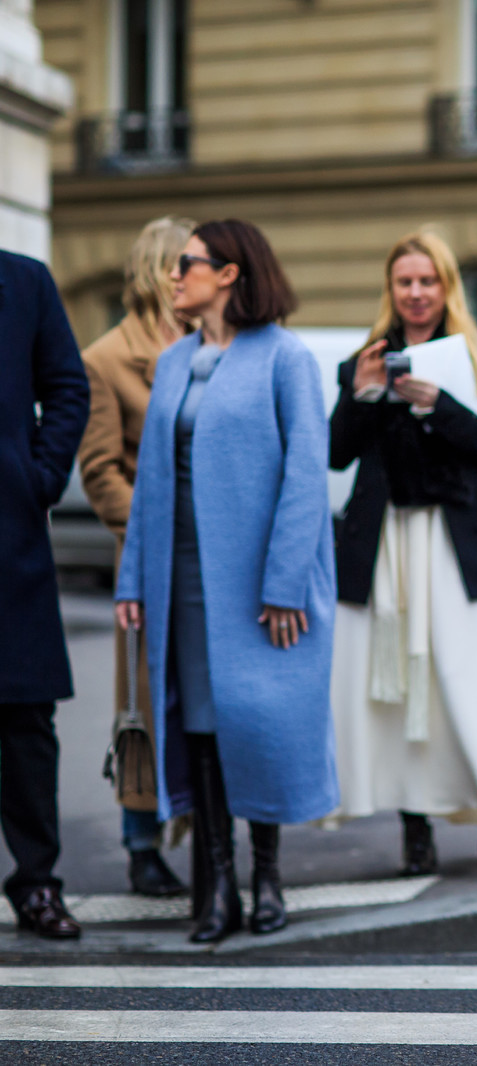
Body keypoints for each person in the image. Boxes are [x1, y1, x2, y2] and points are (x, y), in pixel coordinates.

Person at [115, 219, 340, 944]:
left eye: (189, 264)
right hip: (179, 576)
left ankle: (268, 877)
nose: (175, 276)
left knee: (260, 723)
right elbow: (150, 481)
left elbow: (308, 476)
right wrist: (131, 580)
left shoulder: (285, 359)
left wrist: (284, 584)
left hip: (258, 583)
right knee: (201, 725)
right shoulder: (175, 361)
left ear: (231, 273)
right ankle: (218, 888)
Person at [327, 230, 477, 872]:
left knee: (471, 676)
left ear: (446, 286)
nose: (416, 293)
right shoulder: (365, 361)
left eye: (428, 281)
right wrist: (366, 394)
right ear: (390, 290)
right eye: (405, 282)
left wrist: (440, 406)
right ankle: (414, 825)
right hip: (386, 541)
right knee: (392, 684)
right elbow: (337, 451)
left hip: (455, 540)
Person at [77, 216, 196, 900]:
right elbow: (100, 474)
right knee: (143, 705)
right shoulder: (106, 359)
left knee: (208, 698)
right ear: (160, 270)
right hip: (147, 563)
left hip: (215, 560)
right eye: (189, 262)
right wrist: (158, 532)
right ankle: (141, 842)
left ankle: (209, 824)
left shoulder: (216, 345)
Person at [0, 250, 89, 940]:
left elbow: (67, 386)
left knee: (26, 720)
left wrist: (42, 475)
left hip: (9, 533)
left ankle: (37, 885)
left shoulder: (24, 280)